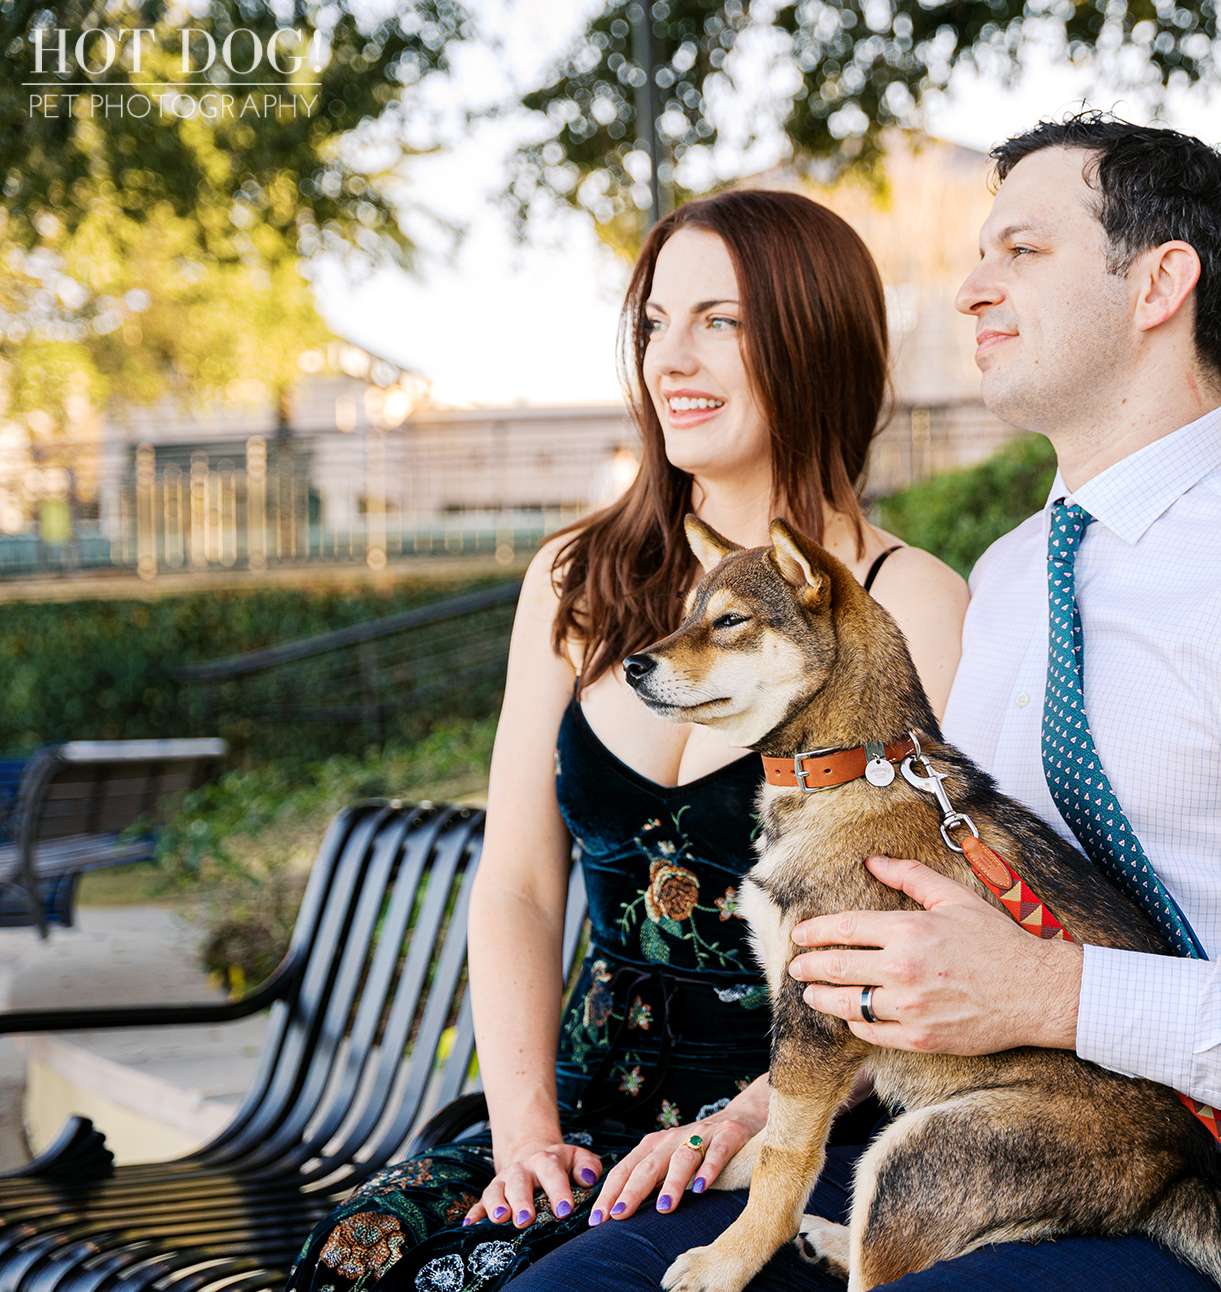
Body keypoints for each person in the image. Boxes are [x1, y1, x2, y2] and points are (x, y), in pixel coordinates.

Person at [503, 115, 1221, 1292]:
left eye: (1021, 252)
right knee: (580, 1286)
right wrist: (754, 1114)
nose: (970, 288)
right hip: (973, 1133)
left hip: (1216, 1182)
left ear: (1159, 283)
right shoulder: (1008, 580)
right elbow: (928, 916)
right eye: (979, 255)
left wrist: (1060, 992)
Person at [283, 188, 968, 1292]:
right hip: (579, 1112)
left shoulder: (904, 606)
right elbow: (513, 883)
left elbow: (907, 937)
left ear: (816, 339)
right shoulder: (577, 579)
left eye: (719, 322)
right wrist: (522, 1136)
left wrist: (733, 1129)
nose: (670, 359)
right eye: (653, 322)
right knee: (362, 1265)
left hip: (798, 1127)